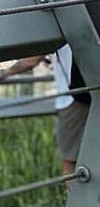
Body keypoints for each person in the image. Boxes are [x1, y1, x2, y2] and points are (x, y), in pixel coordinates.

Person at [0, 45, 91, 175]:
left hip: (71, 100)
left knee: (69, 161)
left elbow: (31, 61)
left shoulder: (61, 33)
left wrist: (6, 72)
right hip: (93, 96)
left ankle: (74, 188)